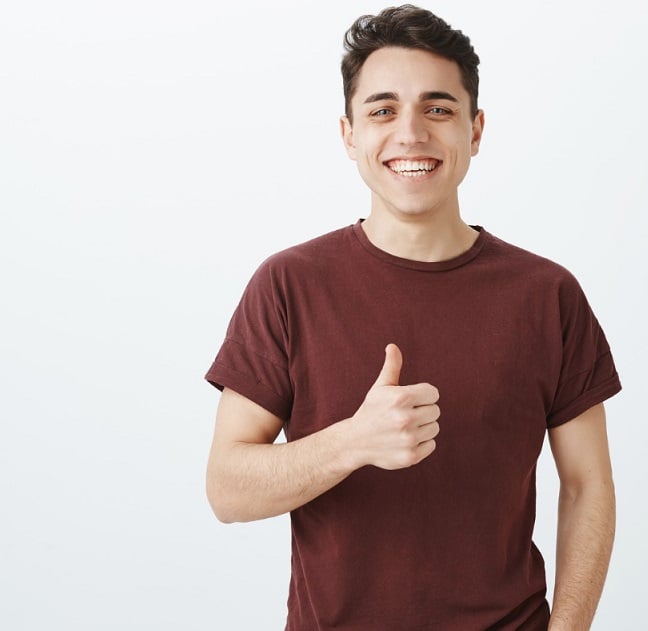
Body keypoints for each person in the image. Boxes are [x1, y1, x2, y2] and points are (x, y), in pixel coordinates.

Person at [203, 5, 621, 630]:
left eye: (438, 108)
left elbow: (588, 486)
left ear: (475, 130)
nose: (411, 134)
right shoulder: (289, 285)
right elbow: (227, 490)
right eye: (382, 110)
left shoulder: (547, 295)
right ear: (349, 135)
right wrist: (353, 442)